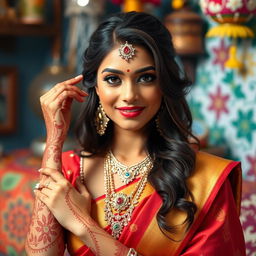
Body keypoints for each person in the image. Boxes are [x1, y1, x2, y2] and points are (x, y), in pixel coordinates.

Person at [25, 11, 246, 256]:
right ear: (95, 87)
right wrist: (54, 139)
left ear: (164, 84)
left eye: (146, 78)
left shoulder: (205, 179)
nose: (129, 95)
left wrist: (82, 224)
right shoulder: (71, 170)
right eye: (113, 79)